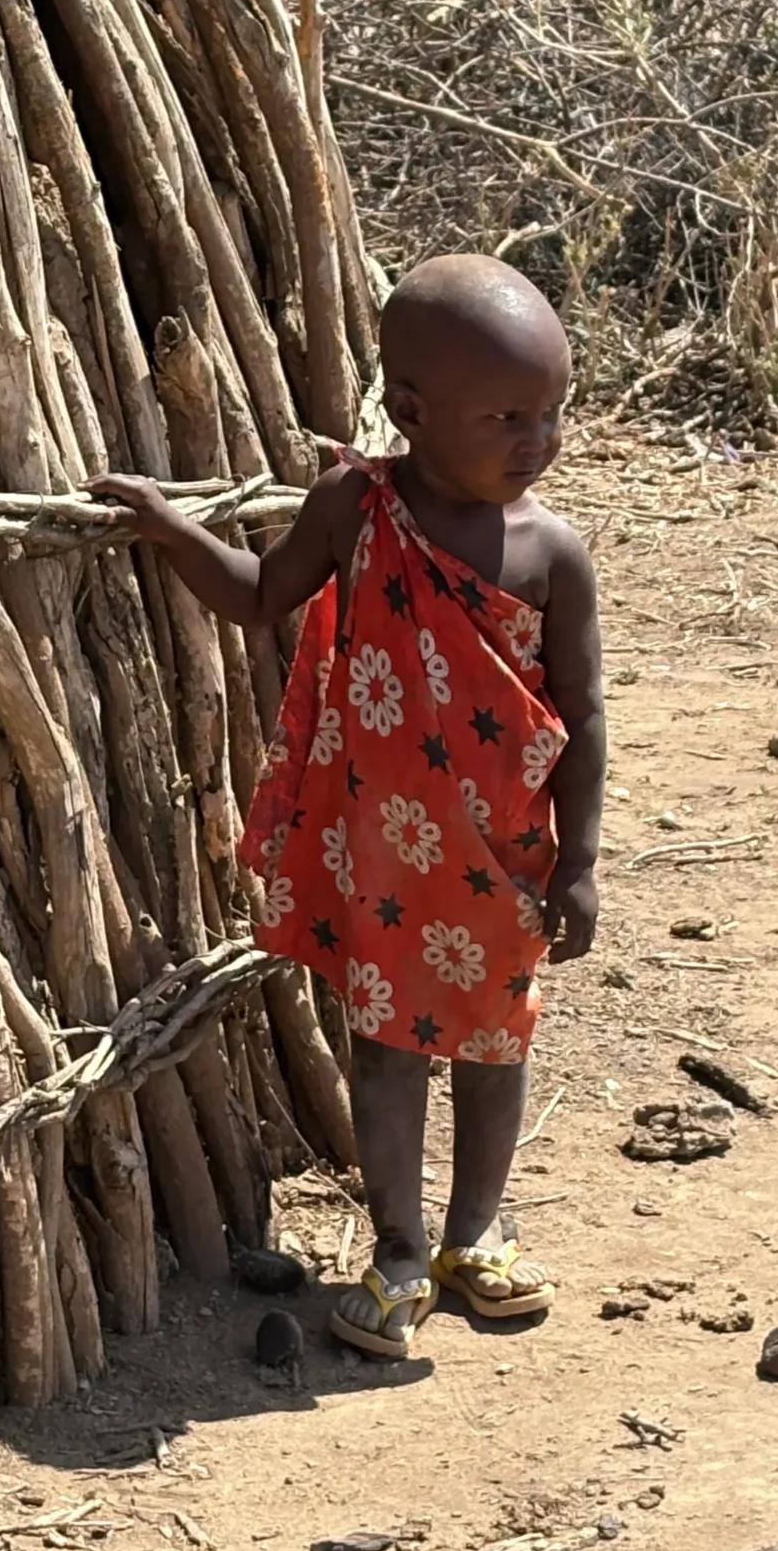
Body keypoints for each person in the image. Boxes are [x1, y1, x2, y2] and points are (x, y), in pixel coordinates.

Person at [89, 253, 605, 1359]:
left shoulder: (552, 551)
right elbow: (258, 596)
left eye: (555, 412)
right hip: (383, 853)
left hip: (504, 856)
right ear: (411, 412)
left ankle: (477, 1238)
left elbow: (585, 717)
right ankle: (401, 1252)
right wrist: (167, 526)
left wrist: (582, 862)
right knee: (385, 1047)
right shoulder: (355, 510)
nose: (540, 441)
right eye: (509, 416)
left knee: (497, 1046)